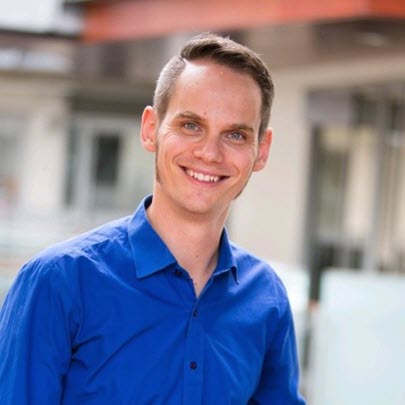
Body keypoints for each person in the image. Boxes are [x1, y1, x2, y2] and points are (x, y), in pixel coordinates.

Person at [0, 33, 306, 404]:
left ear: (262, 150)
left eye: (236, 135)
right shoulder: (59, 282)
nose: (210, 153)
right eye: (191, 125)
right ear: (150, 129)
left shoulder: (266, 298)